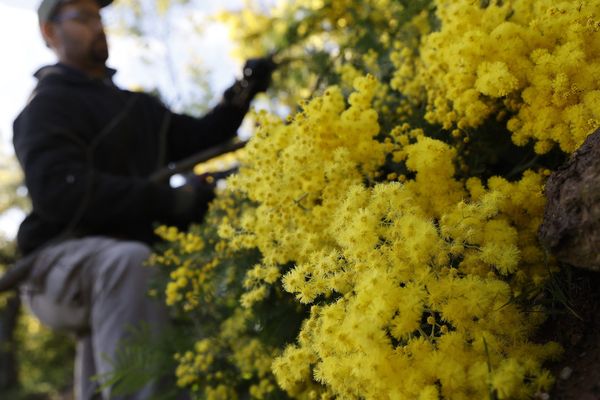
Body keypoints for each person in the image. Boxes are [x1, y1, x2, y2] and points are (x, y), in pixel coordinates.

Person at [12, 0, 274, 398]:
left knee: (126, 331)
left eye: (99, 16)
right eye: (82, 17)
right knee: (131, 266)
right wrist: (170, 202)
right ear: (50, 33)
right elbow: (61, 195)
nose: (98, 26)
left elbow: (199, 137)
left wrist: (243, 91)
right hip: (55, 267)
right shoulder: (44, 108)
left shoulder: (137, 107)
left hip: (119, 265)